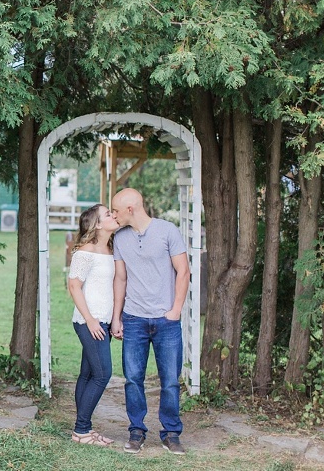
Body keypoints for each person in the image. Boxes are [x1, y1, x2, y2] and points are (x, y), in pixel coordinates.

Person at [110, 188, 190, 456]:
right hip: (134, 319)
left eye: (116, 210)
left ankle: (171, 433)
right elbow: (120, 278)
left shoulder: (168, 231)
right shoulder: (120, 238)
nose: (113, 215)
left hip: (166, 321)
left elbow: (183, 271)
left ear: (130, 209)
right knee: (133, 379)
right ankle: (136, 431)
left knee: (170, 380)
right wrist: (116, 317)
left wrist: (176, 310)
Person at [67, 204, 120, 446]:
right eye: (108, 214)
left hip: (103, 320)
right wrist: (90, 320)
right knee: (102, 374)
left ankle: (84, 429)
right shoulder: (84, 252)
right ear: (97, 224)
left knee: (88, 374)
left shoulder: (110, 249)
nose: (113, 215)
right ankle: (81, 431)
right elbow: (73, 286)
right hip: (90, 321)